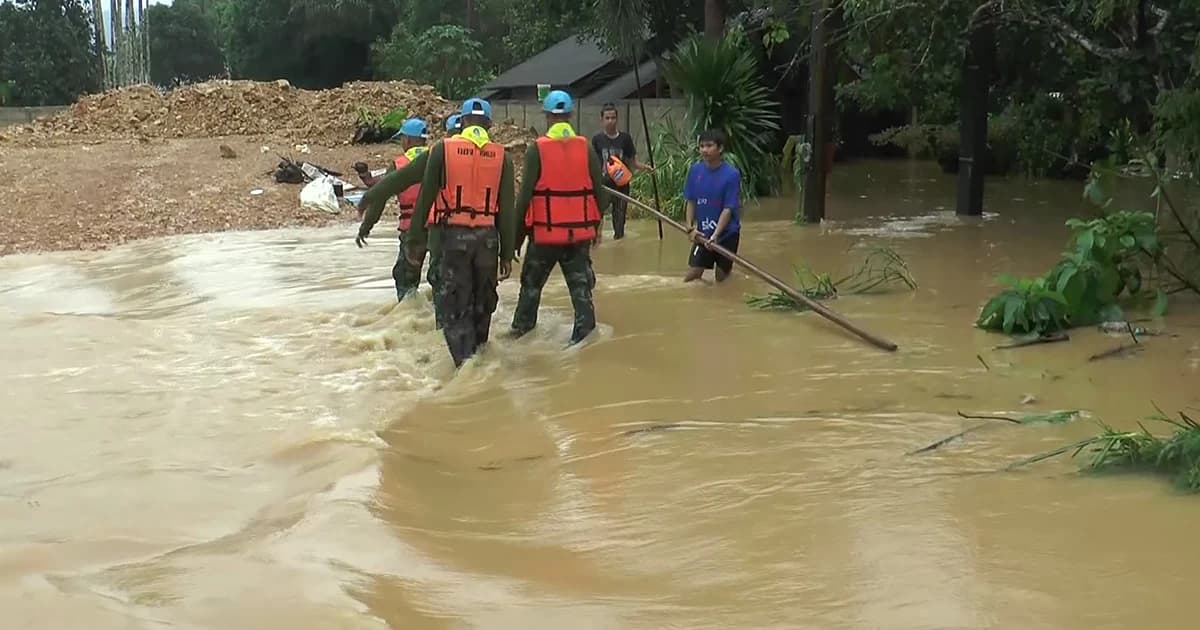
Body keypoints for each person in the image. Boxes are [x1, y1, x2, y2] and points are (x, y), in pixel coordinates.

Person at [404, 98, 518, 368]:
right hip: (488, 240)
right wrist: (507, 252)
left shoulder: (443, 149)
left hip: (453, 238)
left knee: (457, 303)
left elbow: (426, 199)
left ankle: (465, 368)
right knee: (484, 302)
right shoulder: (503, 156)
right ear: (489, 124)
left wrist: (414, 239)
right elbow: (507, 211)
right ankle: (480, 360)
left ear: (463, 122)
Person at [510, 89, 607, 345]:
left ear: (548, 117)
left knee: (531, 289)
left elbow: (524, 200)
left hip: (544, 236)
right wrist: (595, 226)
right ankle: (584, 342)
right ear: (571, 115)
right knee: (581, 292)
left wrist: (515, 241)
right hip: (578, 236)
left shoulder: (537, 149)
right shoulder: (586, 148)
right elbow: (600, 195)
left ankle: (521, 334)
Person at [683, 128, 742, 283]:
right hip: (703, 234)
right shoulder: (695, 171)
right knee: (693, 274)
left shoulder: (732, 174)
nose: (705, 150)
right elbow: (690, 200)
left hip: (727, 234)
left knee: (721, 279)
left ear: (720, 148)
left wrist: (716, 235)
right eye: (702, 146)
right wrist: (690, 227)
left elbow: (728, 208)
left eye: (709, 146)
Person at [590, 102, 653, 240]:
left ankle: (619, 242)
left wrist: (645, 168)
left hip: (621, 186)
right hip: (603, 185)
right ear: (601, 120)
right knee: (596, 216)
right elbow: (592, 164)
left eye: (613, 118)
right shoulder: (597, 140)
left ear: (617, 119)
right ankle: (596, 243)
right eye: (607, 118)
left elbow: (634, 162)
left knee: (619, 223)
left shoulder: (625, 139)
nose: (610, 121)